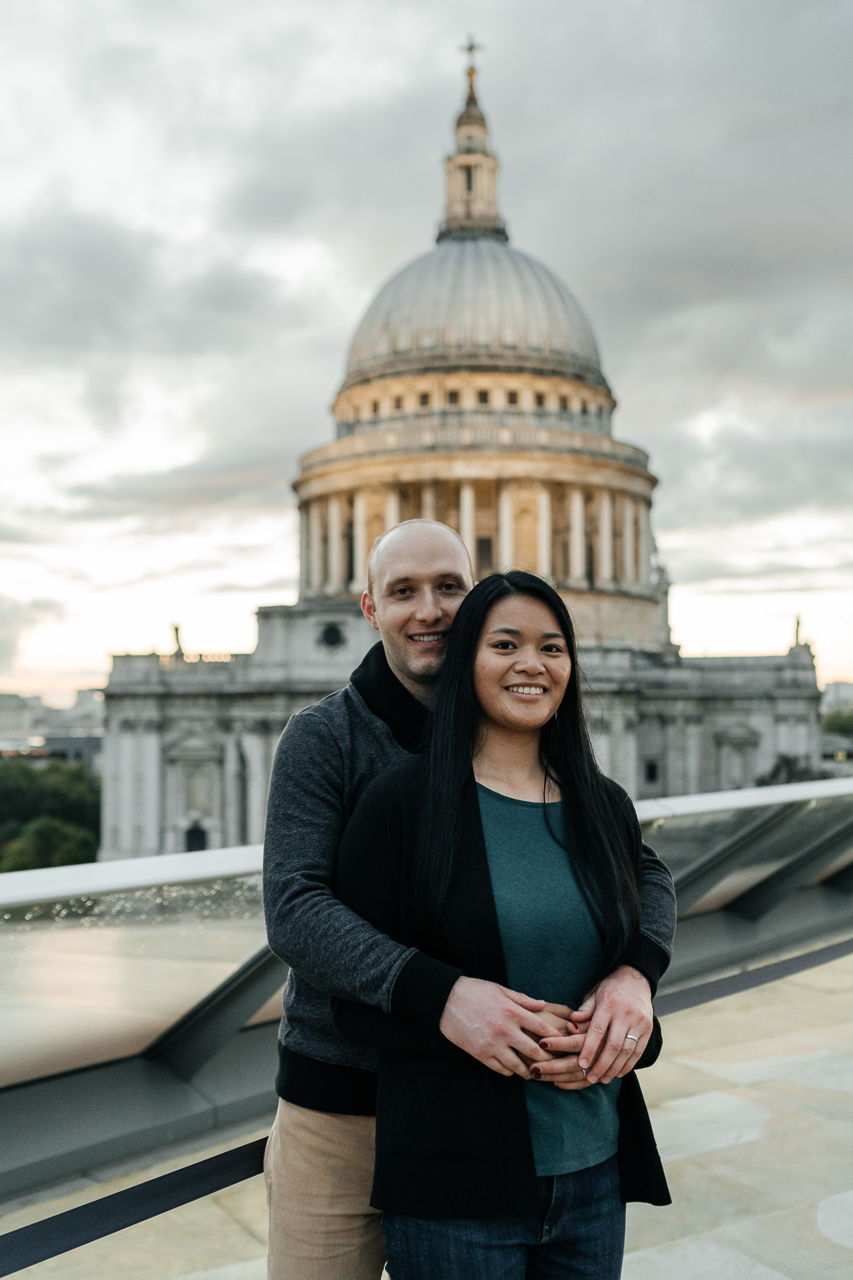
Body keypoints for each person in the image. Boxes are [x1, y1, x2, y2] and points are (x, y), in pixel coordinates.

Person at [262, 523, 676, 1280]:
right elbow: (294, 908)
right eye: (403, 592)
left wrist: (634, 973)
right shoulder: (326, 737)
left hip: (490, 1104)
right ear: (368, 608)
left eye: (449, 588)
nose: (429, 610)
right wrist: (442, 995)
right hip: (346, 1098)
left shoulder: (535, 742)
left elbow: (640, 869)